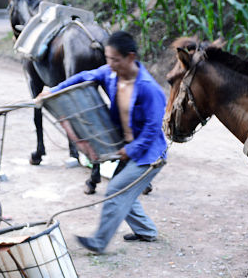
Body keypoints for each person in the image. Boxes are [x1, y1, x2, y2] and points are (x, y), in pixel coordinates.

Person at [49, 30, 168, 252]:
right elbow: (83, 77)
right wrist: (52, 91)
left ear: (130, 57)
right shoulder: (111, 75)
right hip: (129, 148)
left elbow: (153, 130)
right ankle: (146, 231)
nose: (110, 64)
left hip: (149, 155)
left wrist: (131, 149)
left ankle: (99, 242)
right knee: (124, 191)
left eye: (115, 59)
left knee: (116, 190)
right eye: (107, 58)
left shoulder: (149, 89)